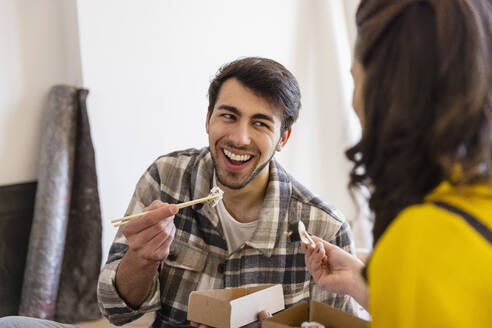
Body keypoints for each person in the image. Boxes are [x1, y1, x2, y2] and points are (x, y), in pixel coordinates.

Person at [97, 57, 358, 327]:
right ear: (208, 119)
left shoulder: (325, 228)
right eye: (228, 116)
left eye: (260, 124)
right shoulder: (166, 179)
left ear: (283, 138)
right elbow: (115, 311)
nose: (239, 138)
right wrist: (140, 259)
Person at [303, 0, 492, 327]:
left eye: (355, 78)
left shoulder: (420, 243)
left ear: (386, 94)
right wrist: (365, 284)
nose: (353, 102)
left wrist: (396, 275)